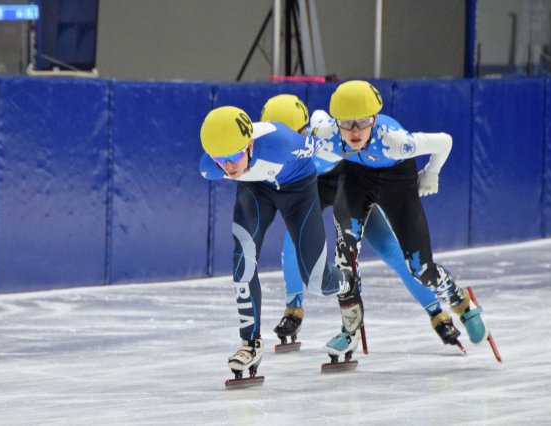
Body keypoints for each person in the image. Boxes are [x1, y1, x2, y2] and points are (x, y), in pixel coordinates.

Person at [260, 94, 461, 351]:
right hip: (312, 189)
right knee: (293, 240)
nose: (281, 145)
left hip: (347, 183)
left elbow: (330, 121)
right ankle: (293, 309)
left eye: (288, 136)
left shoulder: (320, 132)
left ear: (303, 129)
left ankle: (436, 312)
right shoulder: (270, 152)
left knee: (390, 249)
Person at [311, 80, 487, 358]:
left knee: (422, 270)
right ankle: (350, 330)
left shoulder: (395, 141)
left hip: (397, 181)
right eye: (346, 123)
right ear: (336, 123)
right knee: (344, 259)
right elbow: (316, 120)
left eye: (362, 122)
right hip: (355, 178)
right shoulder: (327, 134)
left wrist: (431, 173)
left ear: (375, 119)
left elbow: (444, 141)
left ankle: (460, 301)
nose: (354, 131)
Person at [198, 106, 356, 378]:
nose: (229, 166)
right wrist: (225, 160)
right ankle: (250, 343)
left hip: (298, 188)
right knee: (242, 262)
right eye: (220, 160)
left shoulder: (283, 143)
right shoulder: (210, 167)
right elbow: (225, 161)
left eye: (235, 155)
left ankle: (348, 282)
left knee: (318, 283)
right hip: (257, 190)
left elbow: (327, 147)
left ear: (248, 144)